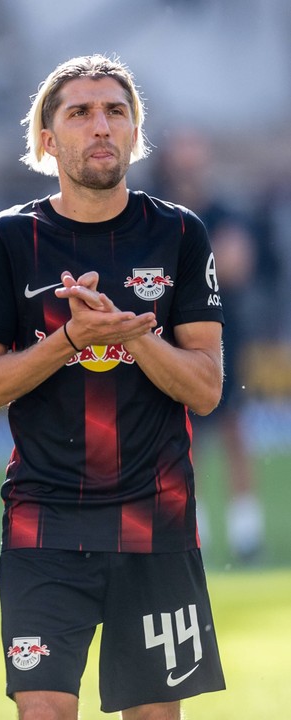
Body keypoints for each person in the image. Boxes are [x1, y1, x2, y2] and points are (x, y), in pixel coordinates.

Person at [0, 54, 226, 719]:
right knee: (43, 710)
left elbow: (205, 388)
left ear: (135, 133)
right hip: (43, 521)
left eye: (115, 111)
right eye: (78, 112)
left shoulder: (179, 234)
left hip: (155, 520)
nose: (100, 126)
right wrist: (70, 340)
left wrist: (131, 335)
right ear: (47, 138)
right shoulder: (10, 238)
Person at [150, 128, 269, 564]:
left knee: (234, 428)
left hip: (223, 332)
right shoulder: (157, 213)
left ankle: (246, 530)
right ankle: (193, 528)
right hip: (169, 336)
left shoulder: (223, 212)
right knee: (183, 436)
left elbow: (239, 265)